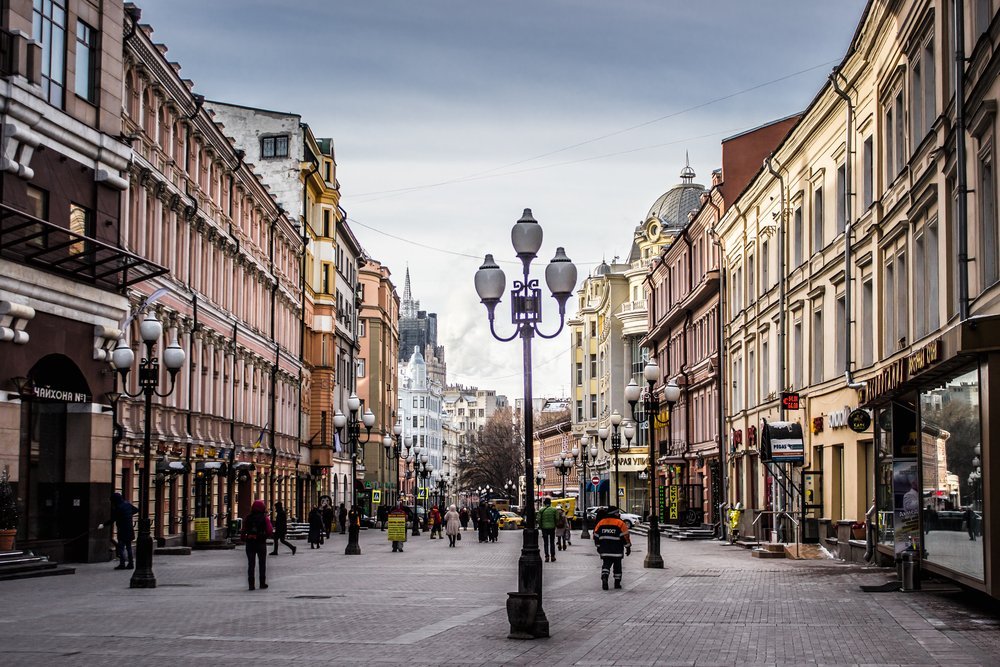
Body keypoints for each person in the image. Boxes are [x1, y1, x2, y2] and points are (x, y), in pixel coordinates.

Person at [593, 506, 631, 590]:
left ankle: (604, 577)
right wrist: (628, 547)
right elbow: (625, 536)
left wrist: (598, 547)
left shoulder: (601, 523)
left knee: (606, 565)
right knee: (617, 567)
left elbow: (596, 535)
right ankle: (617, 583)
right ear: (615, 513)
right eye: (618, 512)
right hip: (617, 550)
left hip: (605, 550)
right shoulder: (620, 523)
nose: (619, 514)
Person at [99, 492, 137, 570]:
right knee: (129, 547)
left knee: (121, 547)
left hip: (122, 529)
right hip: (129, 528)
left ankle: (122, 564)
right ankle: (131, 564)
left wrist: (103, 525)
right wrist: (128, 514)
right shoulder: (127, 504)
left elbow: (113, 519)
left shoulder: (118, 508)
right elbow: (136, 510)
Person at [242, 499, 274, 590]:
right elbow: (269, 530)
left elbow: (243, 530)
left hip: (250, 543)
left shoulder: (248, 518)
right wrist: (264, 536)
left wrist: (245, 538)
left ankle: (251, 584)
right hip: (261, 543)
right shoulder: (265, 518)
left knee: (251, 564)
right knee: (262, 563)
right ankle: (262, 583)